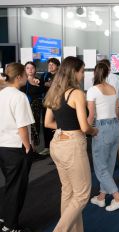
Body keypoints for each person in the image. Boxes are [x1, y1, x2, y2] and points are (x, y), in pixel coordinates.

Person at [44, 56, 98, 232]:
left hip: (57, 143)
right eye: (82, 71)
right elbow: (84, 126)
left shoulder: (55, 91)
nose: (83, 75)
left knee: (68, 191)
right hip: (72, 145)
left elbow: (48, 123)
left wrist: (65, 128)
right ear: (73, 72)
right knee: (82, 194)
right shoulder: (77, 94)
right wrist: (94, 131)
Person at [87, 63, 119, 211]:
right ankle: (101, 198)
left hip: (101, 128)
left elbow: (91, 116)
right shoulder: (112, 88)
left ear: (95, 73)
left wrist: (84, 130)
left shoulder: (92, 90)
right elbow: (117, 111)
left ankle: (118, 197)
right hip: (115, 126)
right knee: (109, 164)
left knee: (100, 167)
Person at [0, 63, 34, 232]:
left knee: (10, 184)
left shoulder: (1, 94)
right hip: (16, 148)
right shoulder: (19, 97)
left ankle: (6, 216)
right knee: (17, 188)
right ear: (19, 76)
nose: (28, 77)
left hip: (2, 146)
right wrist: (28, 147)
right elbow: (22, 126)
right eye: (25, 74)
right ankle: (10, 226)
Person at [99, 59, 119, 168]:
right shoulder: (118, 78)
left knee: (103, 133)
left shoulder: (98, 78)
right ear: (109, 67)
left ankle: (105, 161)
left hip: (101, 107)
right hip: (115, 106)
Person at [21, 61, 45, 153]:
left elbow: (43, 92)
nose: (30, 70)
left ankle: (34, 150)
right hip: (28, 108)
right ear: (25, 70)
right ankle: (29, 150)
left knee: (37, 128)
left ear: (35, 69)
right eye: (27, 68)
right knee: (29, 128)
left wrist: (39, 84)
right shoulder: (23, 81)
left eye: (32, 68)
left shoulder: (39, 80)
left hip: (37, 109)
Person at [40, 57, 60, 156]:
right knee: (46, 125)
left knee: (57, 124)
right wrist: (46, 85)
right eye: (49, 65)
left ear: (57, 66)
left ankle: (57, 145)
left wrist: (51, 85)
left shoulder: (61, 76)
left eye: (52, 64)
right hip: (46, 104)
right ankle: (47, 147)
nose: (50, 66)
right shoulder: (44, 75)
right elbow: (40, 88)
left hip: (57, 104)